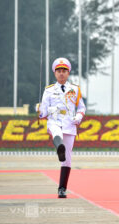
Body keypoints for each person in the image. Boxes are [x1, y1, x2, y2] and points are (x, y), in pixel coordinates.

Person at [38, 57, 85, 198]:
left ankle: (62, 188)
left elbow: (81, 107)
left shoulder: (75, 89)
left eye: (64, 70)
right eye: (59, 71)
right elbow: (44, 111)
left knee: (67, 159)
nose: (61, 73)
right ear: (55, 73)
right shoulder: (49, 90)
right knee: (56, 133)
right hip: (54, 120)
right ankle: (60, 147)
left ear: (68, 72)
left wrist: (78, 117)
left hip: (69, 123)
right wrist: (40, 111)